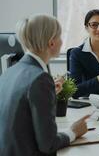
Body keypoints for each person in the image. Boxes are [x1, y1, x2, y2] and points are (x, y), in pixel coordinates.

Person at [0, 14, 90, 155]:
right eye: (60, 37)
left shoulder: (9, 72)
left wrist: (50, 94)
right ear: (51, 43)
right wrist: (72, 132)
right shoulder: (40, 79)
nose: (62, 41)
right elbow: (48, 144)